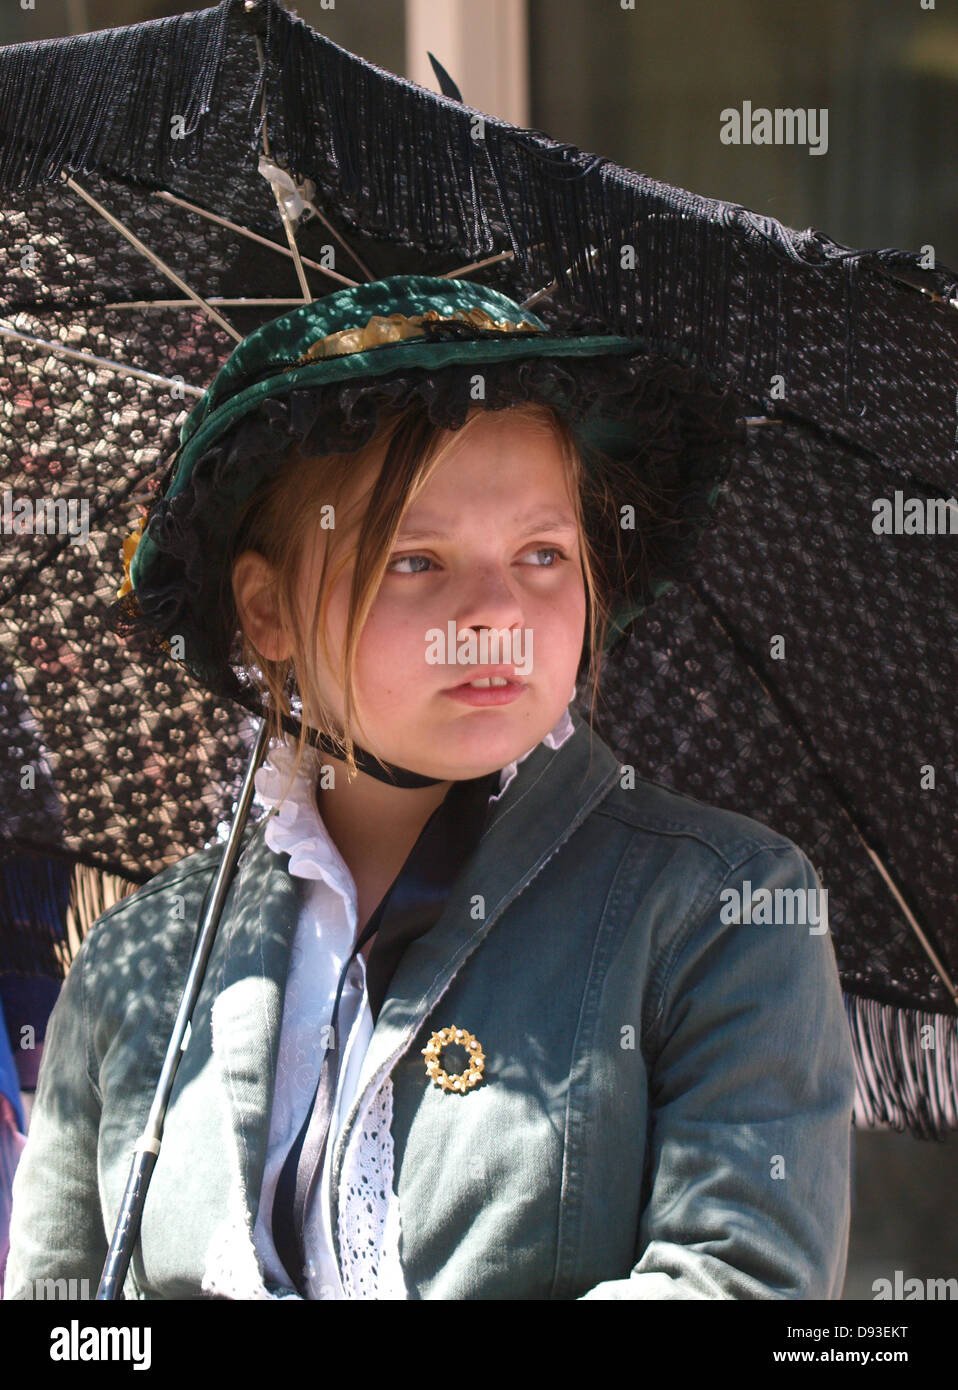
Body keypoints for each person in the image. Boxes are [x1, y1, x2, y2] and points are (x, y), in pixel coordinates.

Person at [3, 275, 857, 1300]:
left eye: (543, 553)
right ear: (266, 609)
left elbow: (742, 1281)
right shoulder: (137, 962)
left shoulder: (720, 910)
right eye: (415, 560)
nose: (496, 612)